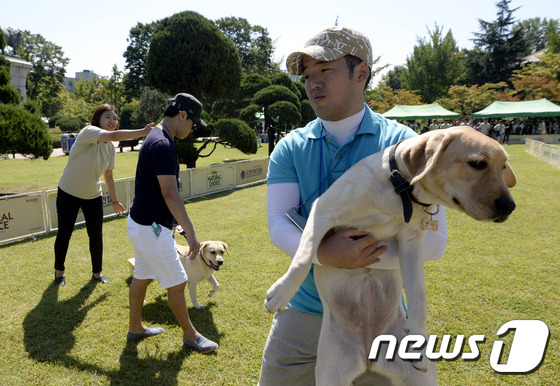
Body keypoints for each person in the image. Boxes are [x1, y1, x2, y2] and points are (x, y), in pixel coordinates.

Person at [259, 26, 447, 384]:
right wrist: (325, 254)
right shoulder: (290, 147)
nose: (313, 83)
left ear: (361, 72)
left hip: (384, 319)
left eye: (325, 71)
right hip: (303, 313)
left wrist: (358, 254)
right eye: (308, 75)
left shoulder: (406, 144)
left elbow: (433, 243)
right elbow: (278, 222)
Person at [126, 93, 218, 352]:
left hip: (142, 224)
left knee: (142, 277)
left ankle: (135, 328)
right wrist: (190, 232)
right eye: (193, 123)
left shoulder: (156, 136)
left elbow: (159, 192)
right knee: (177, 282)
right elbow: (170, 193)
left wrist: (172, 223)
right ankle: (191, 335)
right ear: (182, 115)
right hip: (149, 228)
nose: (191, 130)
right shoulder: (163, 144)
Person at [54, 104, 153, 286]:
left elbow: (108, 175)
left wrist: (115, 200)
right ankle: (59, 273)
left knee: (96, 235)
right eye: (108, 117)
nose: (112, 121)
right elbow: (115, 136)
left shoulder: (110, 148)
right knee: (65, 233)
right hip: (68, 191)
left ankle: (97, 274)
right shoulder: (88, 131)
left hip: (93, 195)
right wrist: (143, 131)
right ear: (98, 119)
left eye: (115, 119)